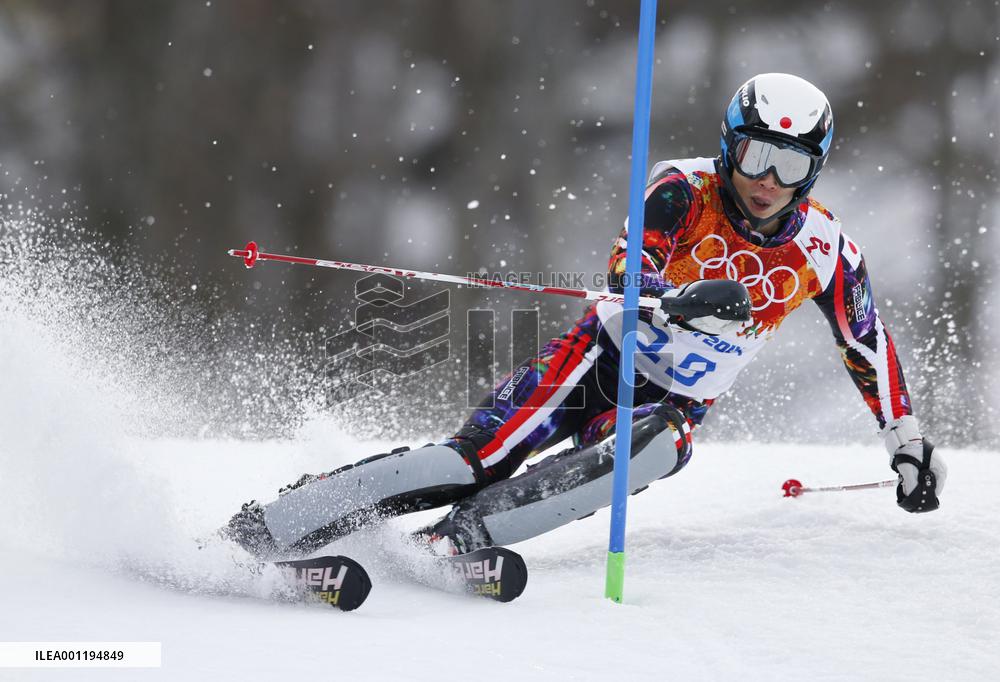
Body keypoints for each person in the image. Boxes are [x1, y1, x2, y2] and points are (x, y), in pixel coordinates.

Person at [225, 72, 946, 559]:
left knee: (660, 444)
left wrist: (905, 442)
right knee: (470, 461)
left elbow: (868, 344)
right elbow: (630, 263)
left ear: (814, 170)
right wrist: (672, 297)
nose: (767, 180)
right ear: (730, 143)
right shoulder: (683, 188)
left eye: (791, 165)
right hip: (594, 361)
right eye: (757, 155)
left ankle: (458, 542)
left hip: (667, 402)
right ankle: (277, 523)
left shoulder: (826, 249)